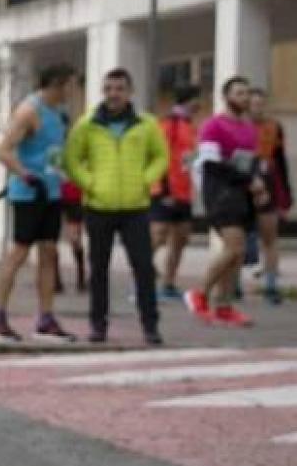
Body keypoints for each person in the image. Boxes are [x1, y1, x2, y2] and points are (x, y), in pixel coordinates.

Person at [64, 69, 170, 345]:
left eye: (120, 88)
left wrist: (145, 180)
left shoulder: (146, 124)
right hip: (99, 206)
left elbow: (161, 156)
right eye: (109, 88)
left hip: (135, 207)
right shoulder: (87, 124)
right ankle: (98, 325)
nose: (113, 94)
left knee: (143, 267)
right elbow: (71, 160)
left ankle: (150, 325)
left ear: (129, 92)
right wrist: (90, 183)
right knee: (99, 268)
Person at [0, 62, 80, 344]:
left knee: (50, 252)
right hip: (29, 193)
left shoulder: (60, 114)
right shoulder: (30, 111)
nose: (74, 91)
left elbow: (54, 152)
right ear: (57, 84)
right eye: (71, 85)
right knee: (19, 253)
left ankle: (46, 319)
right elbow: (2, 151)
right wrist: (27, 175)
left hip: (51, 192)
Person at [185, 76, 265, 327]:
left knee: (237, 254)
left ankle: (224, 306)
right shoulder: (214, 126)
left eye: (246, 93)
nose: (244, 98)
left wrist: (258, 184)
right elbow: (212, 164)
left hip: (242, 195)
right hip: (220, 193)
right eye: (239, 93)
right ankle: (199, 292)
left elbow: (250, 162)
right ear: (227, 97)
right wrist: (247, 180)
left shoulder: (250, 128)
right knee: (235, 247)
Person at [152, 85, 201, 301]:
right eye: (196, 99)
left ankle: (169, 282)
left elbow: (190, 161)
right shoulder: (168, 124)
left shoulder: (191, 126)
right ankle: (142, 273)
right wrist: (164, 190)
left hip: (184, 192)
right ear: (187, 100)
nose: (199, 103)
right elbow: (159, 156)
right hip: (165, 191)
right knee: (159, 235)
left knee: (180, 238)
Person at [249, 87, 293, 306]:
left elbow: (281, 161)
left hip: (269, 185)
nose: (257, 108)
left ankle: (271, 284)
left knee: (270, 237)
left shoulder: (274, 127)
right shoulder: (238, 127)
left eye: (261, 104)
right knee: (238, 241)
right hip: (242, 185)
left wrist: (286, 196)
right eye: (253, 104)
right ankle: (234, 285)